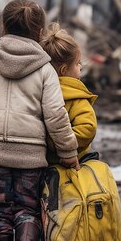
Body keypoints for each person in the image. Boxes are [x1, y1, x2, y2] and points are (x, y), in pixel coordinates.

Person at [0, 0, 79, 241]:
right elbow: (55, 115)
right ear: (40, 31)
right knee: (27, 209)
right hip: (31, 154)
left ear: (3, 26)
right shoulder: (44, 68)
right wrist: (68, 151)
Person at [40, 23, 98, 162]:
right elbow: (87, 128)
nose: (81, 67)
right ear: (64, 70)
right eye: (78, 63)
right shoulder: (77, 97)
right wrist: (63, 147)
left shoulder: (38, 91)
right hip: (71, 162)